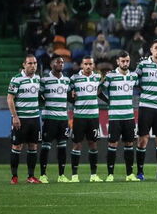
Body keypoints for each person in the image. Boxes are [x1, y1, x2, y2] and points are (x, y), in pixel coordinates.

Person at [98, 52, 139, 182]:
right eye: (123, 61)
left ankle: (130, 174)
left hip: (129, 116)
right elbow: (99, 91)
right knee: (112, 144)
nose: (125, 63)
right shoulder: (110, 76)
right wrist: (108, 101)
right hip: (115, 117)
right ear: (118, 62)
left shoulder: (133, 76)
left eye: (127, 61)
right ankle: (110, 174)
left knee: (129, 144)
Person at [135, 39, 157, 180]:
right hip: (146, 106)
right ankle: (140, 173)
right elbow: (134, 80)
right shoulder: (143, 64)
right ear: (151, 50)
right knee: (143, 140)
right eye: (156, 47)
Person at [8, 55, 42, 184]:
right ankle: (14, 177)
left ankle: (31, 176)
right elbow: (9, 99)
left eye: (34, 63)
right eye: (29, 63)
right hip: (21, 118)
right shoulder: (17, 79)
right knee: (17, 146)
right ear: (24, 65)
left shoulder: (38, 79)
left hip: (34, 118)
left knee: (33, 146)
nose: (33, 65)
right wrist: (15, 117)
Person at [69, 56, 103, 182]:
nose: (88, 66)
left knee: (93, 144)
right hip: (79, 116)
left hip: (94, 116)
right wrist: (71, 96)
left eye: (90, 64)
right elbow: (68, 94)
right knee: (76, 144)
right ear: (81, 65)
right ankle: (74, 176)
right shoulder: (74, 78)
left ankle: (93, 175)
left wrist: (109, 101)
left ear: (93, 65)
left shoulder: (97, 77)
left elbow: (100, 92)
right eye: (86, 64)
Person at [38, 55, 72, 183]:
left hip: (63, 118)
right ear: (52, 64)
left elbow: (69, 96)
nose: (61, 64)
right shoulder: (45, 79)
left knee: (62, 147)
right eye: (58, 62)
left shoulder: (67, 80)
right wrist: (44, 100)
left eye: (62, 62)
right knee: (46, 146)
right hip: (49, 117)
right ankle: (43, 175)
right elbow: (39, 95)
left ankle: (61, 175)